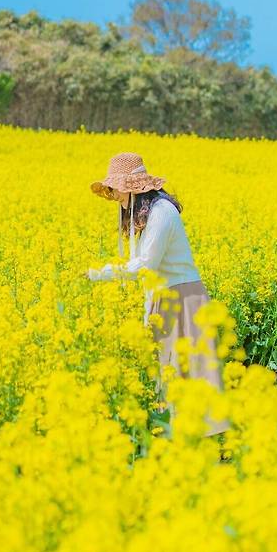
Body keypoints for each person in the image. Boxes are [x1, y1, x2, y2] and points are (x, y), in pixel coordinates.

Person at [86, 151, 231, 440]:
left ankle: (202, 445)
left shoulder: (161, 212)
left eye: (116, 187)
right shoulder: (147, 214)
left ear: (133, 187)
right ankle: (177, 441)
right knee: (168, 374)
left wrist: (99, 274)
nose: (113, 194)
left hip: (183, 299)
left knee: (190, 373)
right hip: (165, 297)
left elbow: (145, 266)